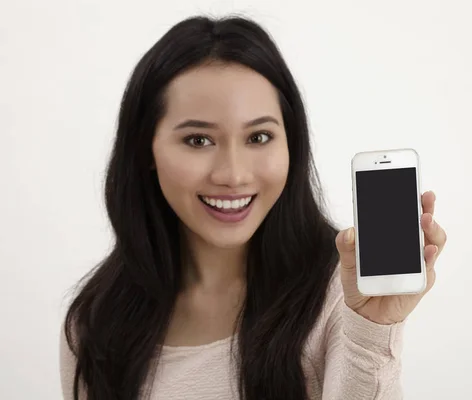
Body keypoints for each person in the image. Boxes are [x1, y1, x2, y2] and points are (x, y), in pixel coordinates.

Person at [59, 15, 447, 400]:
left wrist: (373, 332)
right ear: (146, 149)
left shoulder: (343, 298)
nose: (233, 175)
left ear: (290, 145)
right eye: (198, 140)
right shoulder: (95, 320)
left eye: (259, 136)